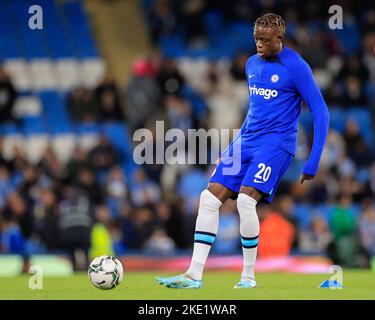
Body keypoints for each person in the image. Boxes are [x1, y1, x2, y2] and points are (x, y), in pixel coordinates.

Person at [157, 13, 329, 289]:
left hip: (277, 144)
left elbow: (321, 112)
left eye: (265, 40)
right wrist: (230, 148)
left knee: (245, 201)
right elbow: (254, 112)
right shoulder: (251, 64)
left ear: (280, 39)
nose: (259, 45)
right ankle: (193, 275)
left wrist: (313, 159)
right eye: (256, 39)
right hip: (247, 141)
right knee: (209, 198)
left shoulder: (296, 67)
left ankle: (248, 277)